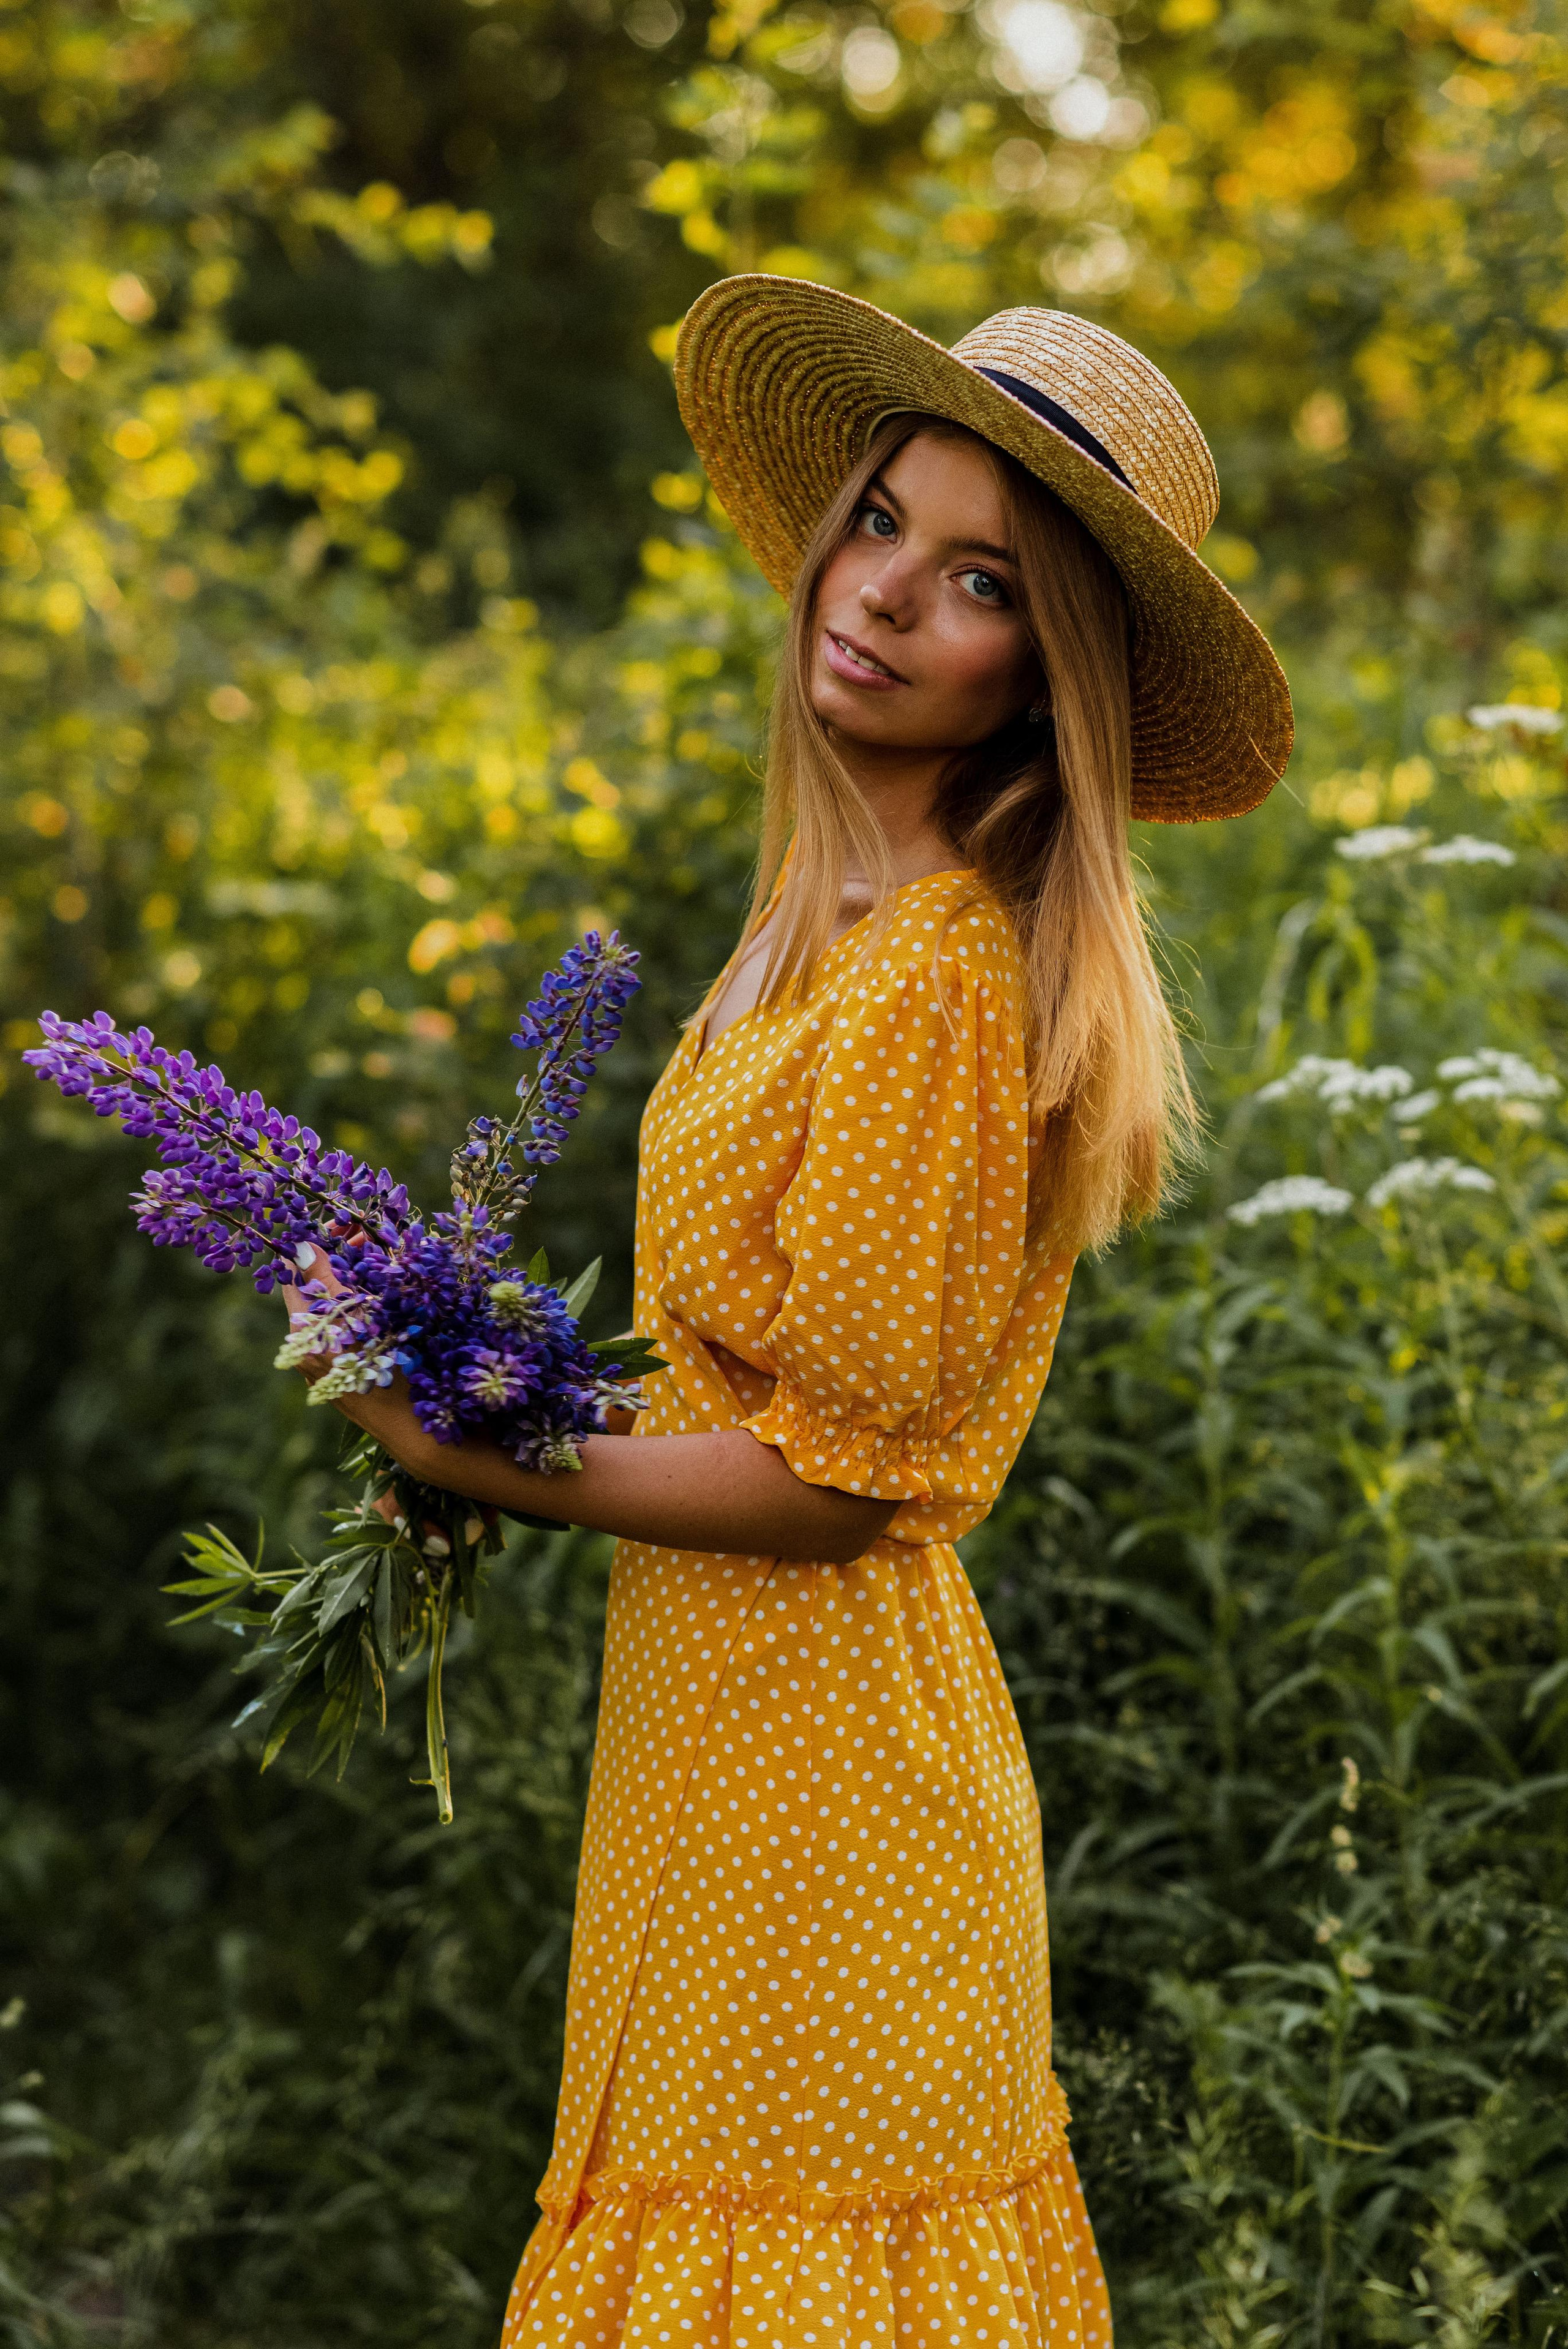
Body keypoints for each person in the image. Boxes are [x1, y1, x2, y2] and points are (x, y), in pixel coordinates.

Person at [287, 278, 1292, 2346]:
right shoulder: (824, 910)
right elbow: (740, 1374)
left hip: (828, 1787)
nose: (890, 595)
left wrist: (478, 1448)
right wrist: (493, 1366)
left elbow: (837, 1484)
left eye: (982, 583)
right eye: (881, 525)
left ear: (1047, 679)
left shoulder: (937, 972)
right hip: (729, 1736)